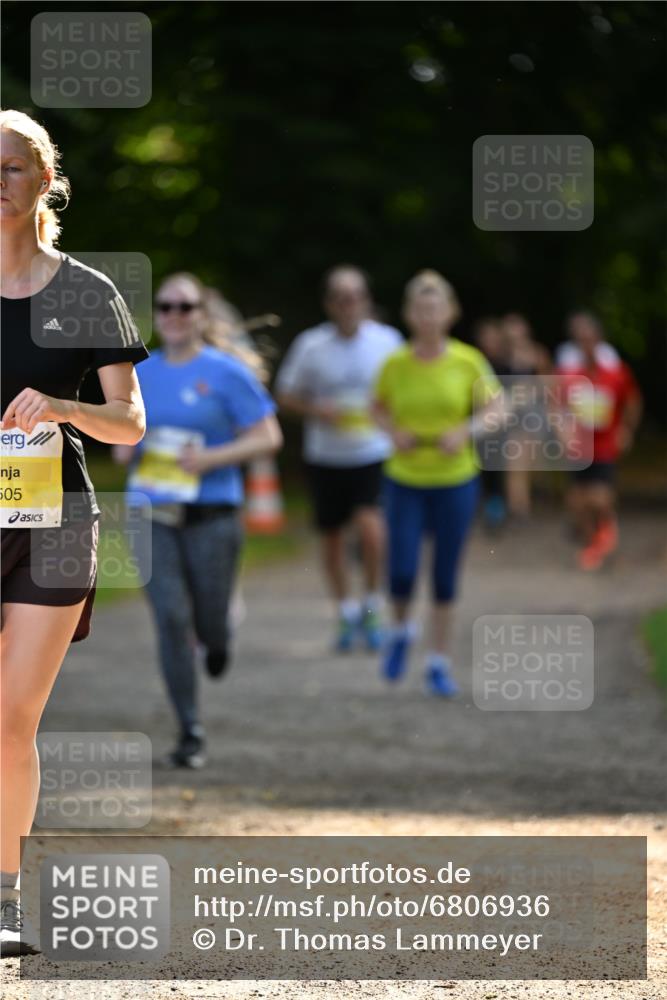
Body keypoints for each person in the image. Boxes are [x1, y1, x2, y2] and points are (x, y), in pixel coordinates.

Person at [0, 111, 149, 956]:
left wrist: (62, 407)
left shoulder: (85, 291)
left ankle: (4, 901)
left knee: (11, 719)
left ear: (45, 179)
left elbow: (129, 421)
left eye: (14, 167)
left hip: (53, 521)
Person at [113, 272, 282, 769]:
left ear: (202, 316)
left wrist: (211, 459)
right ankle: (189, 729)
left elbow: (268, 437)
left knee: (208, 619)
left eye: (185, 307)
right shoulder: (139, 372)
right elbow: (124, 433)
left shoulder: (226, 373)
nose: (174, 315)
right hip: (152, 511)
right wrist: (126, 450)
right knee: (170, 617)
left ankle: (220, 636)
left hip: (213, 512)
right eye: (165, 307)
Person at [372, 271, 501, 695]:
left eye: (436, 309)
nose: (428, 317)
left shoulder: (468, 361)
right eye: (421, 309)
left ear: (450, 313)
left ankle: (438, 662)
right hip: (405, 478)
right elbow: (376, 409)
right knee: (403, 569)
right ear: (410, 315)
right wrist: (393, 432)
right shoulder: (395, 363)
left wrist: (466, 431)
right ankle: (401, 632)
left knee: (445, 576)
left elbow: (497, 409)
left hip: (455, 478)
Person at [275, 265, 402, 651]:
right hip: (326, 455)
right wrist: (318, 411)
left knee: (371, 529)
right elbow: (284, 395)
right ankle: (346, 610)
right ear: (330, 303)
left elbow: (405, 391)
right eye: (342, 297)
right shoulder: (311, 345)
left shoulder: (388, 341)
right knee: (331, 539)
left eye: (356, 296)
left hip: (373, 451)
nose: (350, 304)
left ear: (366, 300)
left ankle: (372, 603)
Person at [556, 311, 642, 571]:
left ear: (599, 341)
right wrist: (563, 430)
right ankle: (591, 541)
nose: (586, 345)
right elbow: (557, 406)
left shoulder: (616, 373)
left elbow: (633, 402)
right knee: (577, 501)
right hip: (578, 447)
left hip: (604, 445)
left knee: (599, 499)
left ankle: (602, 532)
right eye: (580, 341)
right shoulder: (569, 375)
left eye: (590, 339)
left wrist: (626, 429)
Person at [500, 312, 552, 520]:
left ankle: (521, 507)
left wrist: (530, 390)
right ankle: (519, 508)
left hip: (531, 414)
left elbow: (549, 381)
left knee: (522, 463)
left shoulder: (536, 353)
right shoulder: (503, 356)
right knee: (515, 464)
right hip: (510, 413)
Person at [472, 317, 511, 532]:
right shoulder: (473, 362)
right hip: (478, 425)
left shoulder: (505, 365)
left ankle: (496, 509)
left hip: (500, 425)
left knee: (496, 468)